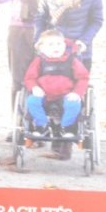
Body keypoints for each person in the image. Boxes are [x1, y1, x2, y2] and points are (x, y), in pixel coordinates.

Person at [22, 29, 89, 158]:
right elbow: (29, 78)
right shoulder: (39, 61)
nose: (56, 48)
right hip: (44, 96)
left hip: (66, 96)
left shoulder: (72, 61)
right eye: (51, 45)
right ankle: (42, 126)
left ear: (64, 45)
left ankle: (67, 128)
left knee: (74, 103)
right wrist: (34, 87)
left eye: (59, 44)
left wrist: (77, 92)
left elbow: (83, 78)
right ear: (42, 48)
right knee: (31, 101)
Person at [35, 0, 103, 69]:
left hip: (80, 51)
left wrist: (84, 41)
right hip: (52, 52)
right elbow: (40, 17)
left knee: (80, 84)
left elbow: (96, 21)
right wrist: (38, 39)